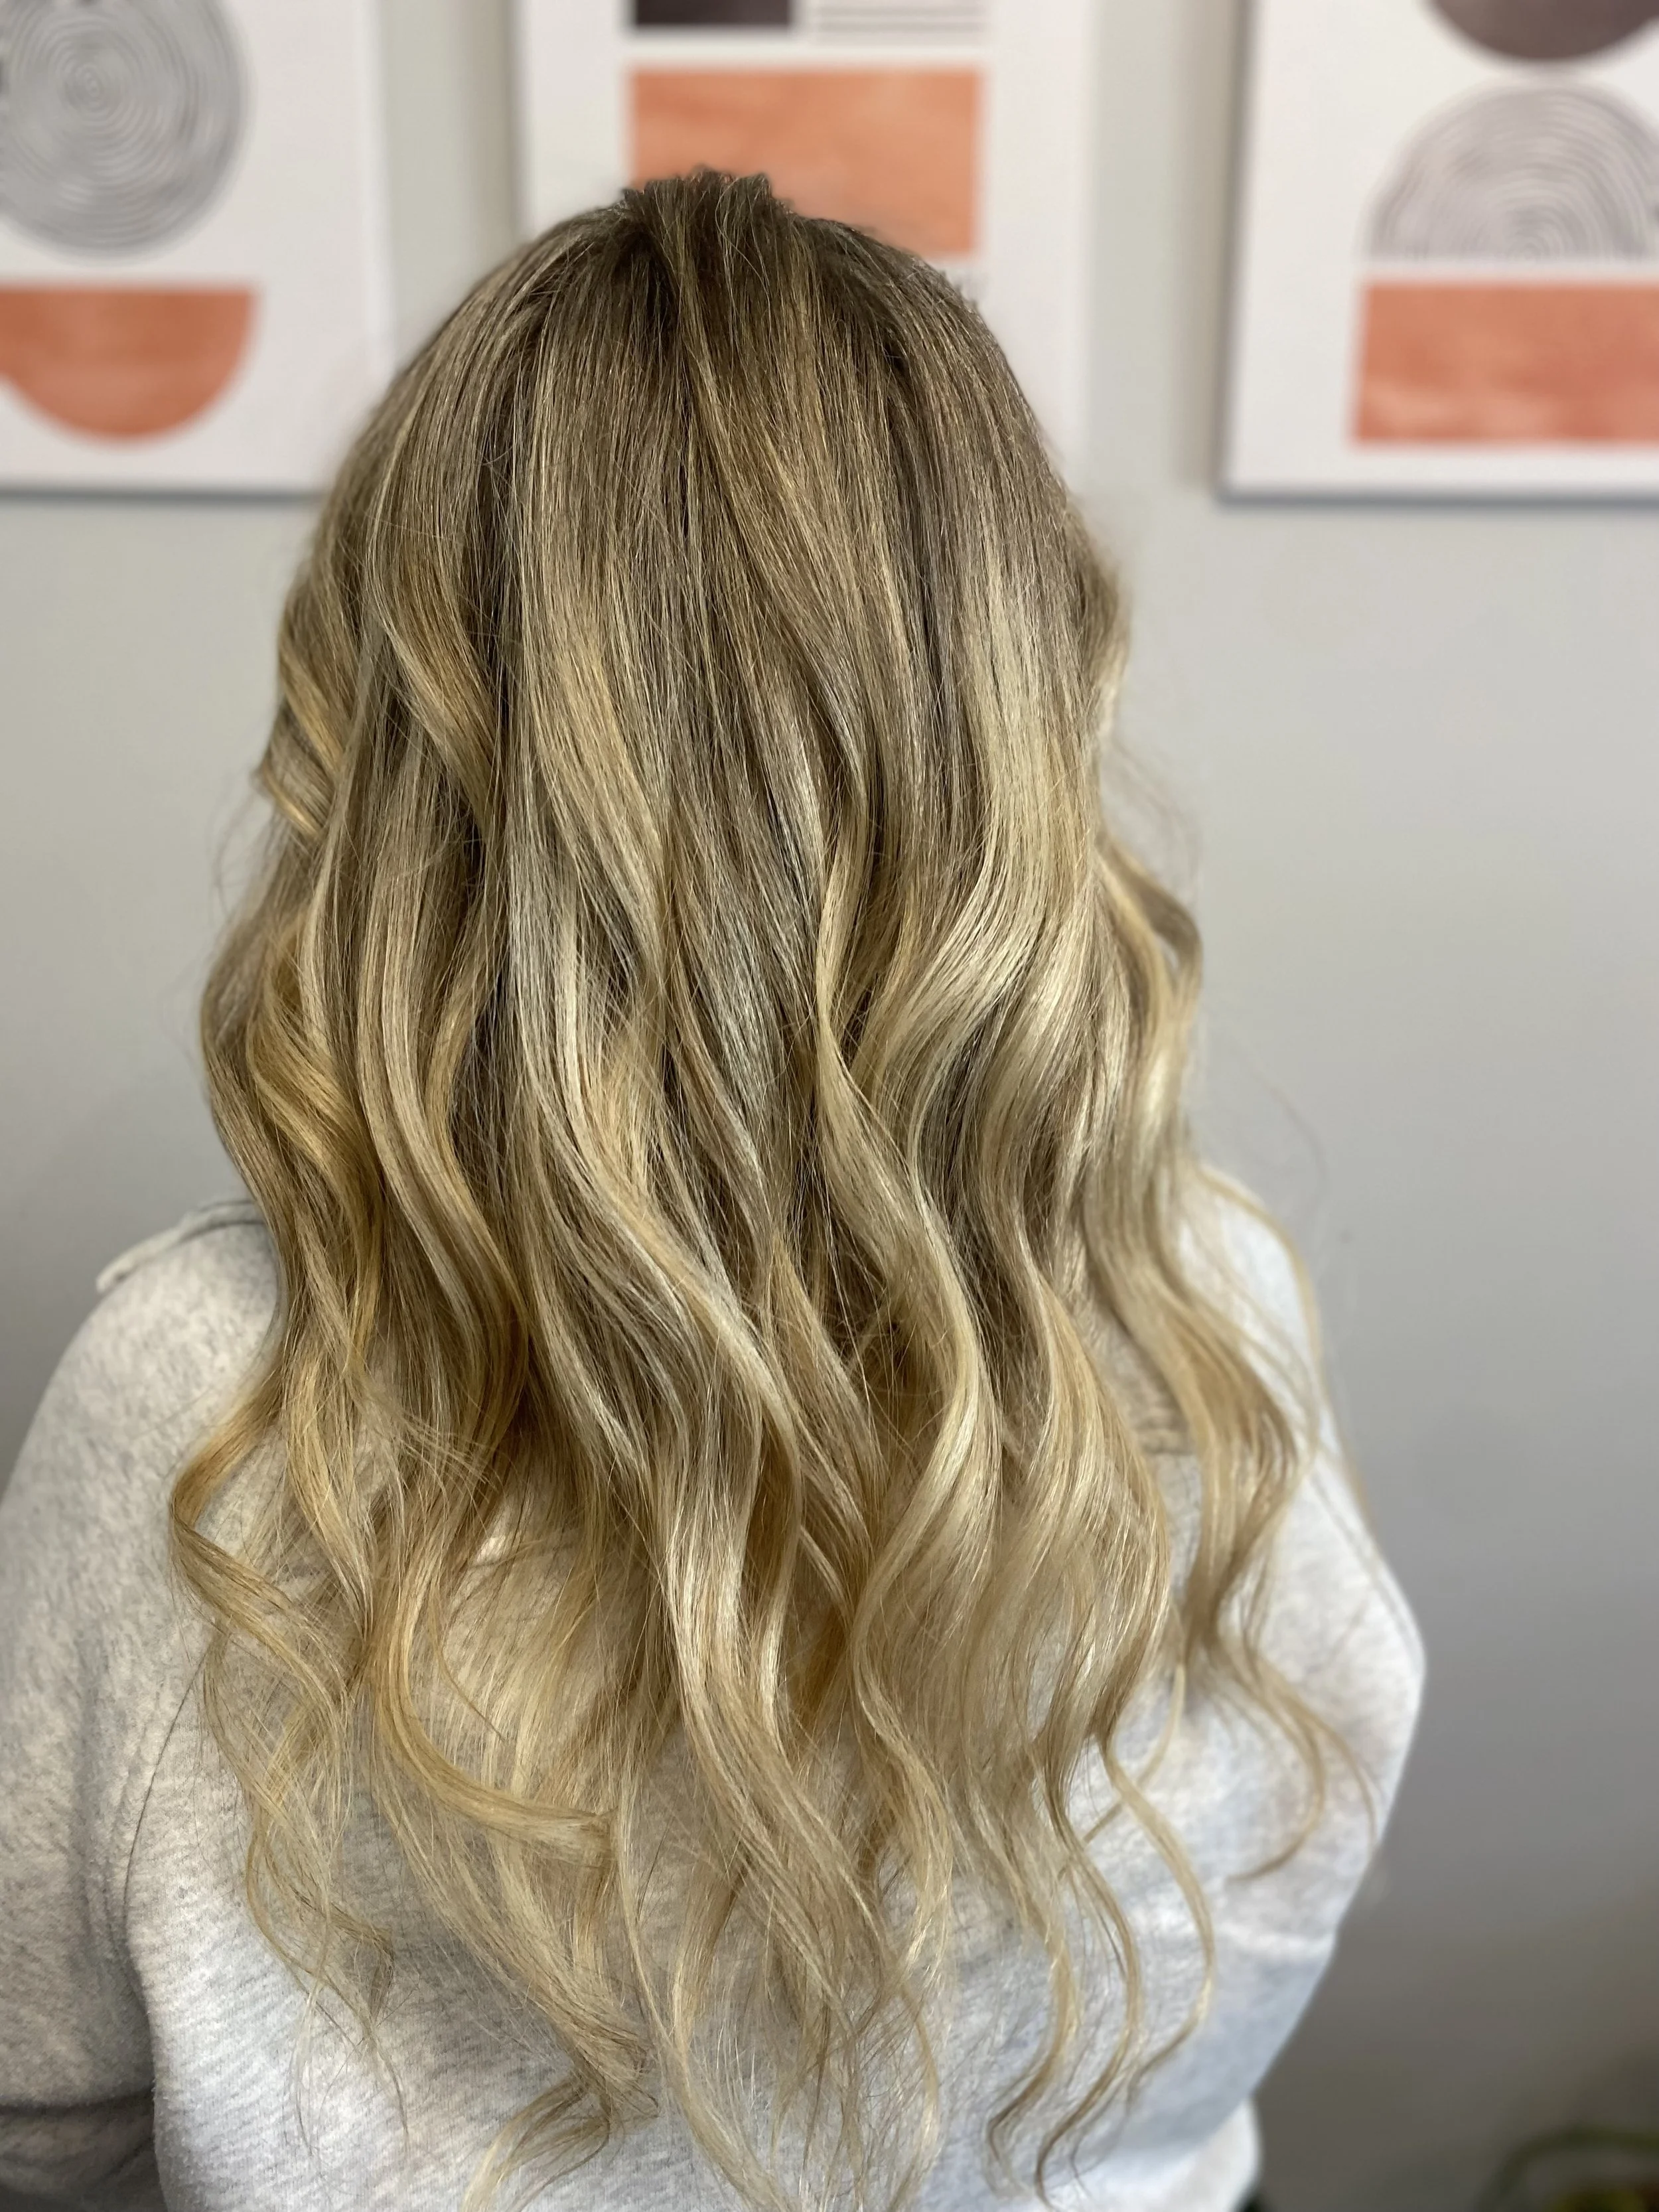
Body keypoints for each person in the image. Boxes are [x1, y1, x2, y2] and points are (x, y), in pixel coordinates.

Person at [0, 171, 1422, 2212]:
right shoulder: (1203, 1303)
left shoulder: (204, 1403)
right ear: (1016, 717)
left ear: (397, 749)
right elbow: (1271, 1910)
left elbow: (42, 2117)